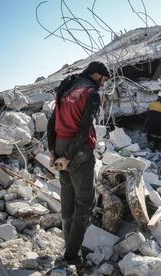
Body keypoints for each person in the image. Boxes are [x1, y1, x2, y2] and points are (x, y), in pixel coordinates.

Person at [47, 61, 110, 265]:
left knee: (67, 194)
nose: (104, 83)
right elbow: (84, 129)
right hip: (78, 150)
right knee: (84, 204)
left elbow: (52, 121)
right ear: (97, 75)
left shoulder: (67, 88)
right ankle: (72, 255)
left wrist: (52, 152)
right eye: (104, 79)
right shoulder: (91, 92)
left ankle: (69, 243)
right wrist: (70, 155)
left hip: (59, 145)